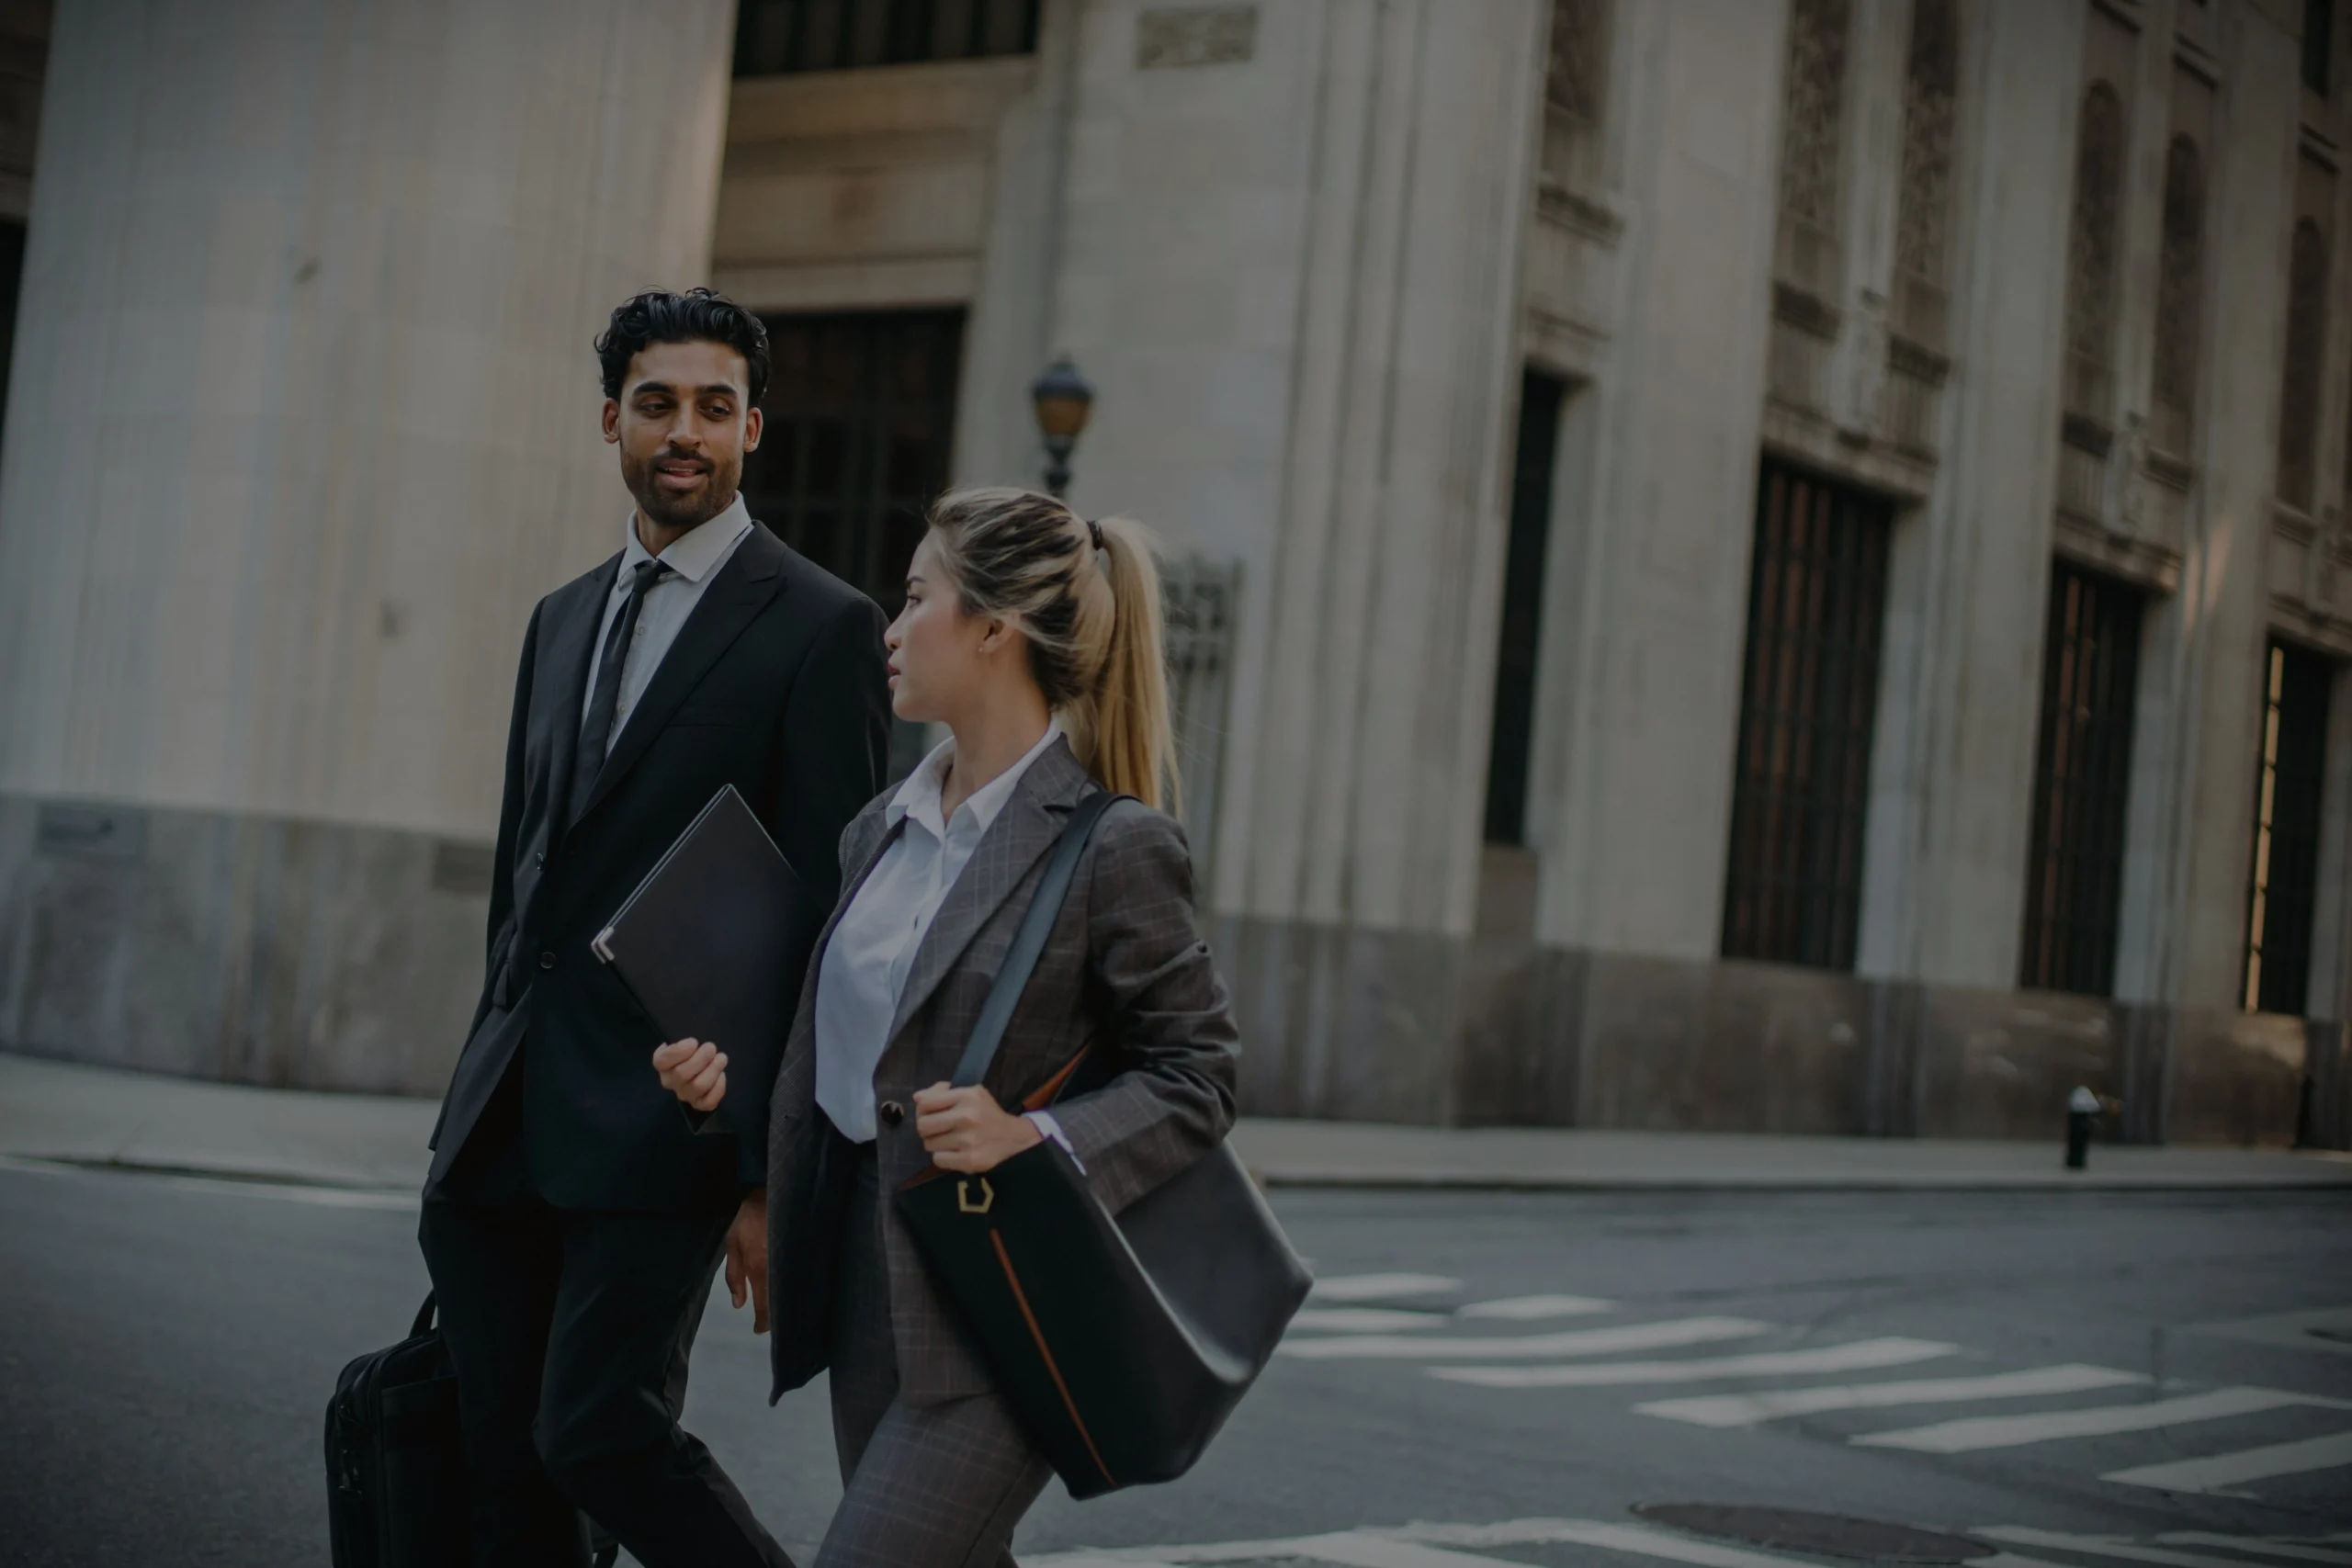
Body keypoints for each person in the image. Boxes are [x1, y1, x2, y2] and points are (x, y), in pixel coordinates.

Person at [655, 486, 1240, 1567]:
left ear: (990, 630)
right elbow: (837, 1046)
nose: (889, 623)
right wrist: (746, 1153)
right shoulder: (879, 828)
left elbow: (1198, 1076)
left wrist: (1039, 1136)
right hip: (865, 1276)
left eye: (916, 595)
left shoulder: (1113, 847)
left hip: (1004, 1306)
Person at [422, 287, 890, 1568]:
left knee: (599, 1431)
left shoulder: (821, 623)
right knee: (502, 1458)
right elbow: (535, 866)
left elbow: (830, 912)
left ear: (754, 431)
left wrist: (761, 1165)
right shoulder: (560, 615)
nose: (684, 429)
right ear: (610, 418)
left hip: (671, 1113)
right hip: (505, 1107)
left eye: (714, 406)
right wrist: (481, 1067)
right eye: (657, 402)